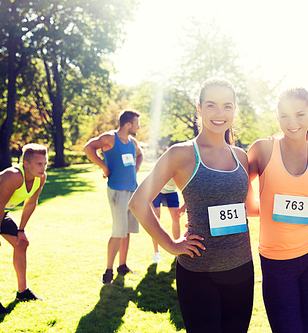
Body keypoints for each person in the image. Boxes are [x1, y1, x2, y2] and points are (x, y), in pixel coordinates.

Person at [129, 77, 255, 333]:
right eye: (211, 105)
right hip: (199, 273)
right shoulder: (181, 154)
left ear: (234, 109)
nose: (220, 113)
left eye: (227, 106)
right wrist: (171, 244)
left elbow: (249, 207)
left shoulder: (240, 156)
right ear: (199, 108)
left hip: (242, 269)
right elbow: (138, 202)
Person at [247, 87, 308, 332]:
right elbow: (243, 201)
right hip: (276, 262)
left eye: (299, 114)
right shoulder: (262, 150)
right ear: (276, 116)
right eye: (285, 115)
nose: (293, 122)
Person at [0, 144, 48, 314]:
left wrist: (21, 230)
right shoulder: (13, 176)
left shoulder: (40, 177)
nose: (43, 168)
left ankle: (23, 292)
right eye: (39, 164)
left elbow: (30, 203)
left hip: (0, 211)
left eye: (45, 164)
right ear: (26, 164)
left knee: (21, 244)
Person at [83, 109, 144, 284]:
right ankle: (108, 271)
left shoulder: (132, 142)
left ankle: (122, 265)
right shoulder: (110, 138)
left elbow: (140, 155)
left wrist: (136, 169)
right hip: (117, 191)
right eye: (137, 124)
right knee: (118, 231)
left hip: (132, 190)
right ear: (128, 124)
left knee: (126, 231)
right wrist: (103, 166)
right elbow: (88, 148)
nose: (139, 127)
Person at [150, 178, 184, 264]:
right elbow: (149, 189)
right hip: (156, 191)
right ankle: (156, 252)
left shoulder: (183, 168)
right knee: (156, 218)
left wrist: (185, 205)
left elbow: (189, 188)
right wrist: (152, 208)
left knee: (176, 216)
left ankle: (177, 250)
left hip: (171, 192)